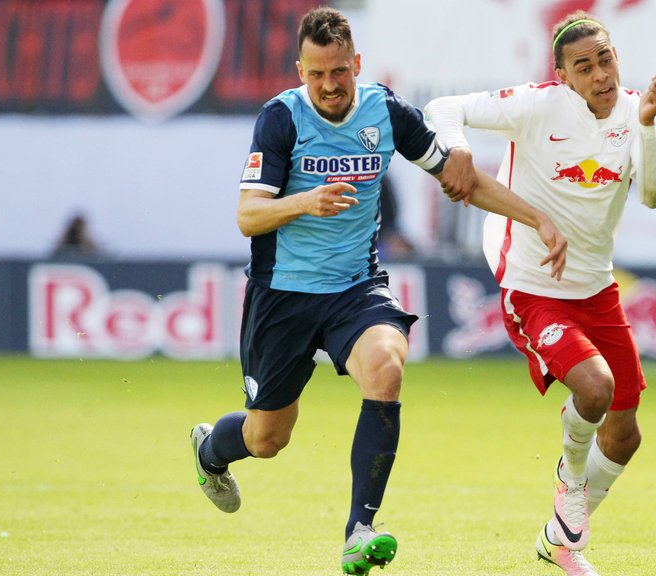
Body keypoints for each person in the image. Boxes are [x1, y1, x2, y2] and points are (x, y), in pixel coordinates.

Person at [188, 7, 567, 576]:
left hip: (356, 288)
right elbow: (248, 215)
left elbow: (460, 180)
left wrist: (538, 219)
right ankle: (209, 451)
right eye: (317, 74)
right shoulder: (280, 119)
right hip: (283, 295)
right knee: (267, 438)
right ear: (300, 71)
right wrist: (306, 201)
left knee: (387, 368)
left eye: (339, 71)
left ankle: (358, 532)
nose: (329, 85)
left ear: (357, 64)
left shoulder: (384, 111)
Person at [425, 11, 656, 576]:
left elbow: (654, 196)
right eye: (583, 67)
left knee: (625, 435)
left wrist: (648, 126)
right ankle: (569, 481)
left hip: (597, 287)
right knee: (595, 387)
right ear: (562, 76)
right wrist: (458, 150)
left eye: (605, 60)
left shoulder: (637, 112)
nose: (600, 75)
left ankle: (559, 542)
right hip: (532, 285)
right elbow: (443, 107)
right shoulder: (537, 105)